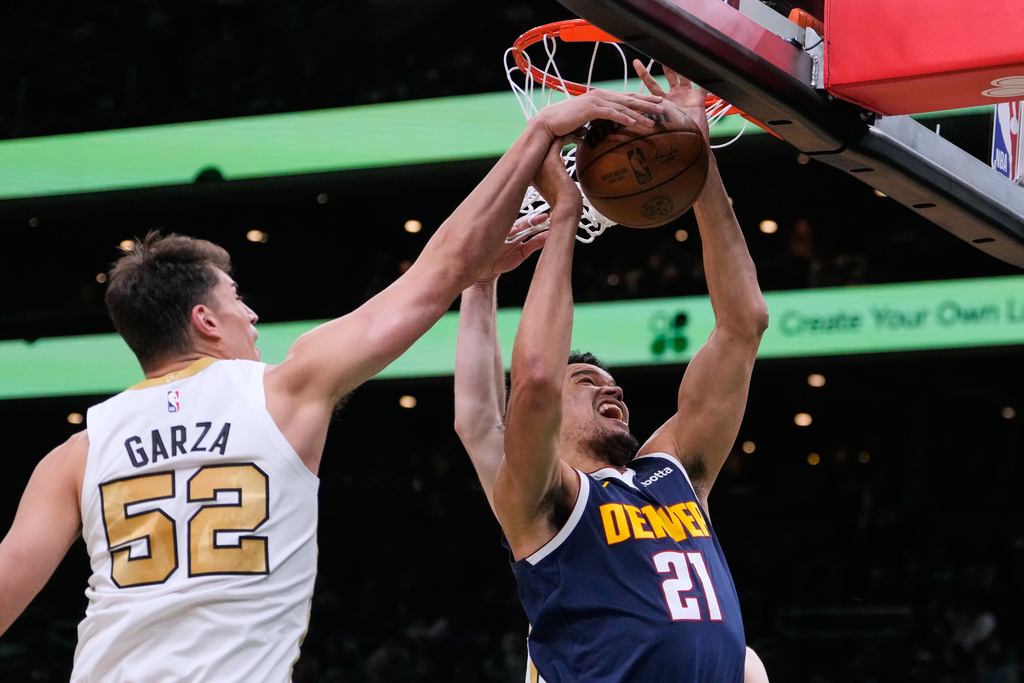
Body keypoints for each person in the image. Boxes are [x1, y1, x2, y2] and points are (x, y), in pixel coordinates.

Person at [0, 87, 666, 682]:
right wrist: (541, 130)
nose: (251, 316)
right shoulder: (283, 389)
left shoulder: (77, 453)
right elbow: (440, 271)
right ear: (204, 320)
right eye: (237, 300)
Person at [454, 61, 769, 681]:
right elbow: (527, 385)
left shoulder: (672, 472)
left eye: (609, 382)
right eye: (586, 382)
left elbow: (744, 324)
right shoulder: (541, 500)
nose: (612, 386)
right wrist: (563, 215)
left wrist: (697, 156)